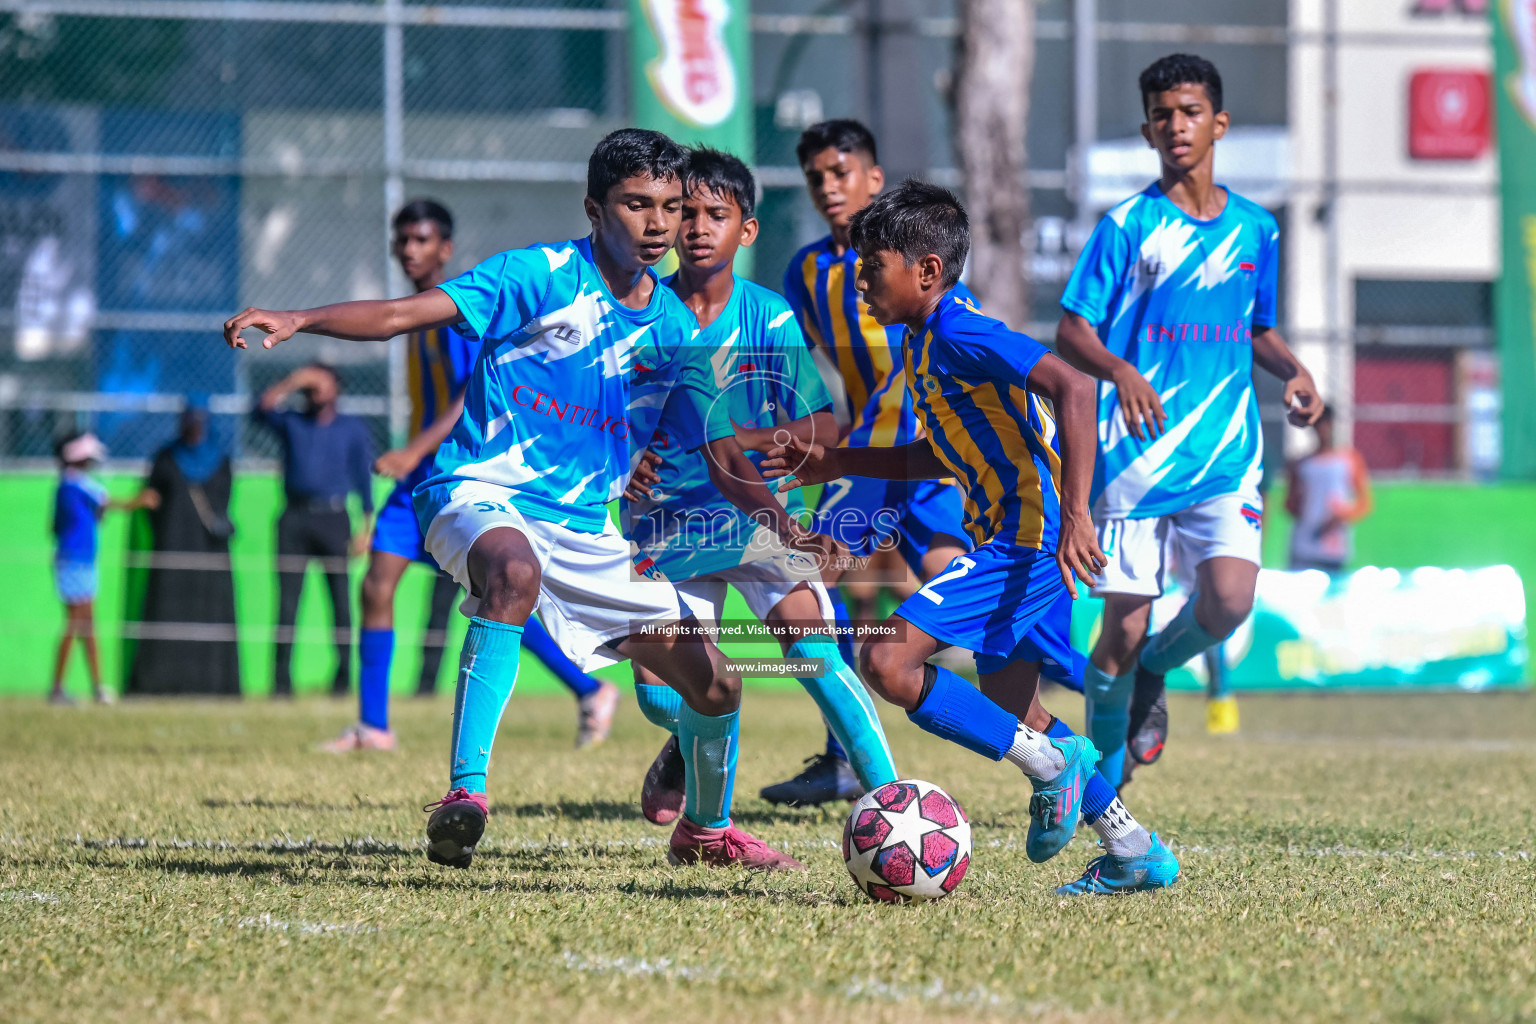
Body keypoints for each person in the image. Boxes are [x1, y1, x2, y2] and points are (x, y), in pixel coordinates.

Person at [225, 128, 804, 872]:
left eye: (668, 206)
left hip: (586, 533)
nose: (658, 224)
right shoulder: (538, 276)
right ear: (595, 208)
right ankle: (464, 796)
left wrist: (778, 523)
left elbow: (716, 447)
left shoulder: (672, 327)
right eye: (636, 205)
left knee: (717, 683)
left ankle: (706, 832)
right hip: (477, 494)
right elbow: (404, 314)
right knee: (513, 573)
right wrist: (302, 320)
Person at [763, 180, 1179, 895]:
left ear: (926, 270)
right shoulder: (923, 343)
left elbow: (1074, 388)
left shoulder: (960, 329)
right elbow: (940, 453)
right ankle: (1134, 849)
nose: (859, 279)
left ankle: (1052, 770)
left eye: (872, 265)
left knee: (887, 661)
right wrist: (840, 461)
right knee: (1022, 715)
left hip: (1028, 539)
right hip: (1008, 537)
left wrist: (1076, 514)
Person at [1055, 53, 1321, 789]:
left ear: (1219, 123)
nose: (1177, 126)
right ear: (1147, 130)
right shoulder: (1127, 225)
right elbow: (1071, 331)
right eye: (1163, 115)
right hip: (1134, 454)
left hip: (1226, 449)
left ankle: (1155, 673)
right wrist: (1121, 370)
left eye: (1191, 112)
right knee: (1122, 629)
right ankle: (1103, 793)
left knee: (1230, 601)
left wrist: (1295, 371)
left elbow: (1255, 327)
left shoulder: (1257, 230)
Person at [622, 147, 898, 825]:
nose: (695, 227)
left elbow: (821, 427)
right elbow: (604, 412)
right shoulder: (639, 313)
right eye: (684, 212)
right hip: (668, 522)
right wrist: (622, 457)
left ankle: (895, 805)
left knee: (814, 653)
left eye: (715, 214)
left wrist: (754, 445)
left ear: (746, 230)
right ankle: (687, 736)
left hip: (760, 516)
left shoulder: (769, 316)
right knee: (661, 693)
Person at [321, 199, 617, 753]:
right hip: (420, 481)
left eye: (422, 240)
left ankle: (590, 687)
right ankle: (374, 726)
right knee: (379, 584)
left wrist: (412, 451)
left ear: (445, 249)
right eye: (403, 239)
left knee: (497, 597)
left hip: (456, 477)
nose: (410, 249)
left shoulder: (455, 314)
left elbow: (469, 396)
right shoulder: (416, 314)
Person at [764, 118, 972, 806]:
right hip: (868, 457)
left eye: (841, 172)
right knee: (818, 580)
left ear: (873, 179)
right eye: (816, 176)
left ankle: (1052, 730)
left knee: (964, 594)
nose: (828, 187)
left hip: (928, 453)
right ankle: (845, 757)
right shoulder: (805, 272)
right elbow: (797, 369)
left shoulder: (919, 264)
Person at [252, 363, 375, 697]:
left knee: (340, 602)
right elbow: (259, 411)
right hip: (293, 518)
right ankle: (280, 683)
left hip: (334, 519)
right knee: (288, 603)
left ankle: (343, 678)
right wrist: (293, 379)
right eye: (311, 383)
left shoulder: (351, 428)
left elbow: (364, 481)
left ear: (337, 387)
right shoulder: (291, 421)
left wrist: (366, 527)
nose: (316, 388)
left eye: (322, 381)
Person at [125, 397, 241, 696]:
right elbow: (154, 504)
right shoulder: (165, 457)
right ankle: (161, 683)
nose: (195, 428)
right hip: (172, 549)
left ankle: (212, 685)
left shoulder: (221, 460)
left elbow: (224, 503)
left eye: (200, 422)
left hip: (211, 555)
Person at [50, 431, 137, 704]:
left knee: (87, 626)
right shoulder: (74, 486)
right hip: (75, 562)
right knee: (76, 623)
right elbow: (108, 502)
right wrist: (140, 502)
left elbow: (55, 526)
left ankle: (97, 686)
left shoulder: (70, 487)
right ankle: (58, 688)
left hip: (81, 562)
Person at [1286, 404, 1371, 574]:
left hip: (1333, 543)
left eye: (1327, 423)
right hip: (1304, 543)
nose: (1323, 429)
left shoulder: (1349, 459)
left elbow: (1364, 502)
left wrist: (1342, 515)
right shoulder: (1301, 463)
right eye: (1318, 424)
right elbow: (1289, 504)